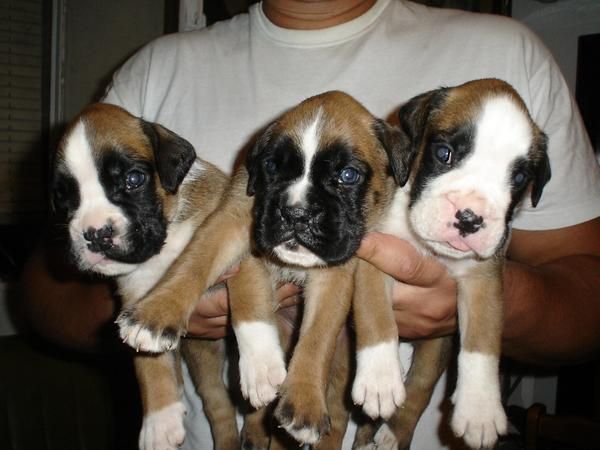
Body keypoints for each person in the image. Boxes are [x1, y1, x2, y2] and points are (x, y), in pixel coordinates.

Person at [21, 0, 600, 448]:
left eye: (346, 178)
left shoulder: (507, 52)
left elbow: (586, 302)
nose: (297, 210)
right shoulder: (150, 72)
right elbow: (46, 294)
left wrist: (475, 299)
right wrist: (162, 300)